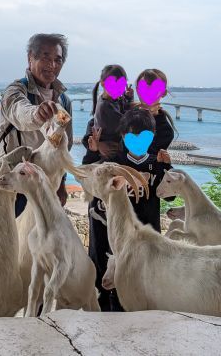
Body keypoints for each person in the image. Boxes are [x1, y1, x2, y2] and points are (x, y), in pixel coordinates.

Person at [84, 107, 172, 311]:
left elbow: (170, 195)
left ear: (152, 137)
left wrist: (165, 167)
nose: (139, 141)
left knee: (145, 294)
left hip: (147, 244)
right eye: (133, 136)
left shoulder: (155, 163)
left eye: (145, 136)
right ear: (123, 136)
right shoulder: (113, 164)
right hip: (115, 245)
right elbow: (90, 181)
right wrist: (92, 152)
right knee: (111, 294)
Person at [0, 33, 73, 214]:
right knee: (13, 239)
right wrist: (37, 113)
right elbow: (19, 112)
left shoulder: (64, 101)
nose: (52, 65)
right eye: (45, 57)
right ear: (30, 58)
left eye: (58, 60)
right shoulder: (15, 91)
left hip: (44, 186)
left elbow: (63, 149)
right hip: (14, 185)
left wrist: (61, 184)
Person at [90, 64, 133, 159]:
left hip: (112, 142)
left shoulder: (111, 99)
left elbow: (123, 108)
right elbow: (125, 123)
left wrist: (128, 98)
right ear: (103, 83)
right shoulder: (105, 106)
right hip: (110, 148)